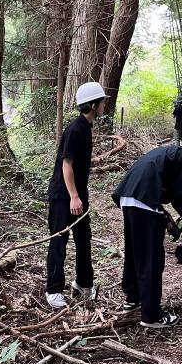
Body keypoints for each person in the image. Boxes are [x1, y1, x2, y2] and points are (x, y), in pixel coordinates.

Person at [111, 144, 182, 328]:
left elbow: (161, 190)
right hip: (142, 199)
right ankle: (152, 315)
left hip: (129, 197)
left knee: (134, 252)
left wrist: (166, 218)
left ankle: (133, 298)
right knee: (151, 258)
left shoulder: (170, 155)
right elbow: (178, 195)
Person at [45, 81, 108, 308]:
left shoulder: (86, 127)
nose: (103, 106)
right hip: (64, 196)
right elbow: (66, 164)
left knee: (84, 240)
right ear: (92, 105)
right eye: (101, 102)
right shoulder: (74, 129)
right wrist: (73, 196)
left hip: (78, 196)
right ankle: (53, 290)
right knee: (59, 240)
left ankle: (83, 284)